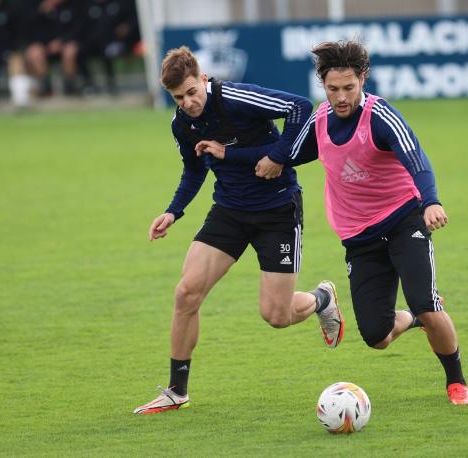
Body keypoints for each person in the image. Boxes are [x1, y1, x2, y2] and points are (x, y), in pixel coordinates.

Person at [256, 40, 468, 405]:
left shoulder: (380, 116)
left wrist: (431, 202)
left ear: (363, 79)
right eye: (332, 89)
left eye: (349, 88)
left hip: (405, 221)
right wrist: (234, 152)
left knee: (427, 303)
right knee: (378, 336)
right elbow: (287, 154)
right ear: (322, 85)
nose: (341, 97)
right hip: (359, 238)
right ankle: (415, 319)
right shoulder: (321, 121)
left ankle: (456, 382)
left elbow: (416, 159)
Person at [133, 46, 344, 415]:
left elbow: (299, 107)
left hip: (277, 209)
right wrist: (173, 211)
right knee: (186, 294)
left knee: (276, 315)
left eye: (191, 92)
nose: (188, 102)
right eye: (178, 98)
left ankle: (322, 299)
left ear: (203, 80)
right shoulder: (181, 123)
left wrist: (278, 156)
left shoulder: (234, 97)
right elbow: (195, 168)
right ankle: (176, 391)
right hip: (229, 211)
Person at [23, 0, 83, 96]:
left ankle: (70, 85)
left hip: (65, 44)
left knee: (70, 50)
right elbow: (29, 31)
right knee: (34, 52)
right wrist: (41, 12)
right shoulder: (36, 8)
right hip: (44, 45)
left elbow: (77, 28)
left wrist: (61, 41)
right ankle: (45, 85)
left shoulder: (72, 6)